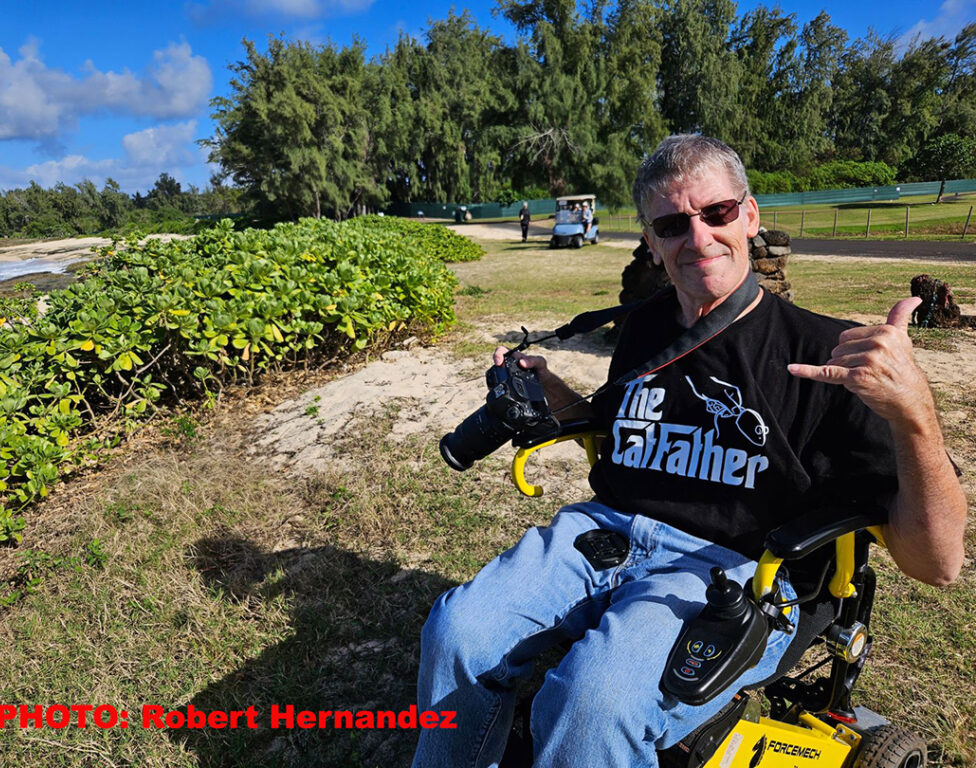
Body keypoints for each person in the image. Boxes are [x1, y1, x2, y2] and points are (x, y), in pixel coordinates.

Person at [412, 135, 966, 768]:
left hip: (735, 568)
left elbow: (940, 564)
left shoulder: (831, 353)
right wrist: (553, 391)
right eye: (672, 224)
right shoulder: (645, 328)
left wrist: (916, 415)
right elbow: (624, 428)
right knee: (459, 631)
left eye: (717, 213)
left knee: (595, 698)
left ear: (750, 215)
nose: (697, 237)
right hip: (606, 532)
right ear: (651, 241)